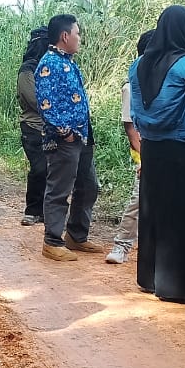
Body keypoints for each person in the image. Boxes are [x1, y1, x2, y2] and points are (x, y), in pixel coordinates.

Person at [130, 5, 185, 302]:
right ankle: (177, 286)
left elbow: (136, 110)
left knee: (153, 212)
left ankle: (149, 278)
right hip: (183, 148)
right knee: (182, 215)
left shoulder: (138, 64)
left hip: (151, 147)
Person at [36, 14, 101, 260]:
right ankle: (52, 241)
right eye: (77, 33)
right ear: (65, 36)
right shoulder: (49, 63)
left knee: (89, 186)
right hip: (66, 140)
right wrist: (67, 134)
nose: (79, 38)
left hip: (83, 137)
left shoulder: (68, 61)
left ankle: (76, 236)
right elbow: (46, 105)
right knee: (59, 189)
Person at [105, 29, 154, 265]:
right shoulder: (131, 86)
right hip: (145, 151)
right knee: (138, 198)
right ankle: (121, 245)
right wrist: (144, 160)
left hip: (164, 149)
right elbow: (130, 129)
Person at [17, 27, 49, 226]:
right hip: (33, 126)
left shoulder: (51, 66)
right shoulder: (28, 69)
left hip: (52, 127)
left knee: (53, 171)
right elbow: (33, 99)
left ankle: (46, 212)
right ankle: (32, 210)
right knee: (39, 168)